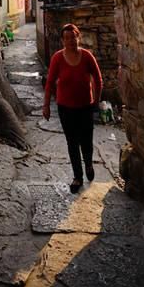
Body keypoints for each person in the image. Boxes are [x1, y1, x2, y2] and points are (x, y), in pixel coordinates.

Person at [42, 23, 103, 193]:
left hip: (86, 106)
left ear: (78, 37)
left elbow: (98, 80)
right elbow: (49, 83)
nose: (70, 40)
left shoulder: (87, 57)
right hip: (65, 108)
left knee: (86, 140)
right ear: (62, 40)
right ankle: (77, 176)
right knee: (72, 142)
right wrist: (46, 105)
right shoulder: (57, 58)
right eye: (66, 38)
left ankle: (89, 164)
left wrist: (96, 102)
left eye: (73, 37)